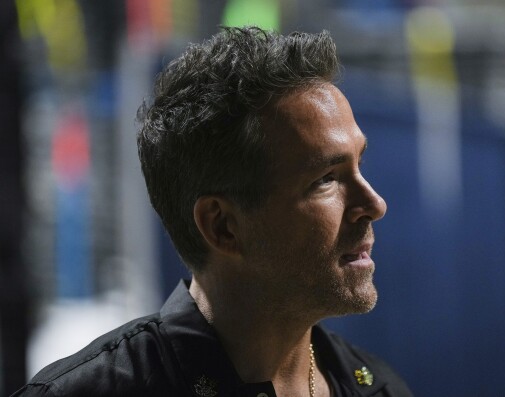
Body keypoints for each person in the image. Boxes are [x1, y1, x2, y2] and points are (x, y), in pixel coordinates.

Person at [13, 27, 412, 397]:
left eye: (359, 164)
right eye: (326, 179)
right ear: (222, 226)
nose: (375, 205)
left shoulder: (379, 387)